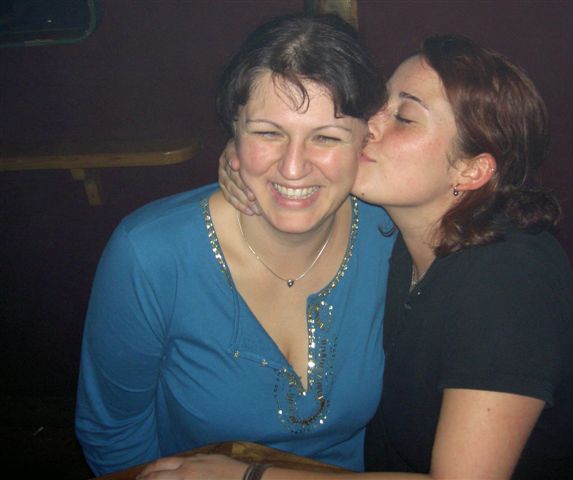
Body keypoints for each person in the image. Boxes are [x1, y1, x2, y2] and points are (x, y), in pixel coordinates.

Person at [143, 33, 573, 479]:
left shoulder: (505, 281)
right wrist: (250, 147)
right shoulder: (400, 233)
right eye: (378, 104)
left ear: (470, 169)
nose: (369, 124)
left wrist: (250, 476)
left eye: (404, 117)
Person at [75, 13, 395, 476]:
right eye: (267, 133)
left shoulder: (392, 233)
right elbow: (114, 432)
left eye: (326, 137)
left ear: (368, 138)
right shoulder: (149, 255)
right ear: (234, 130)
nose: (293, 167)